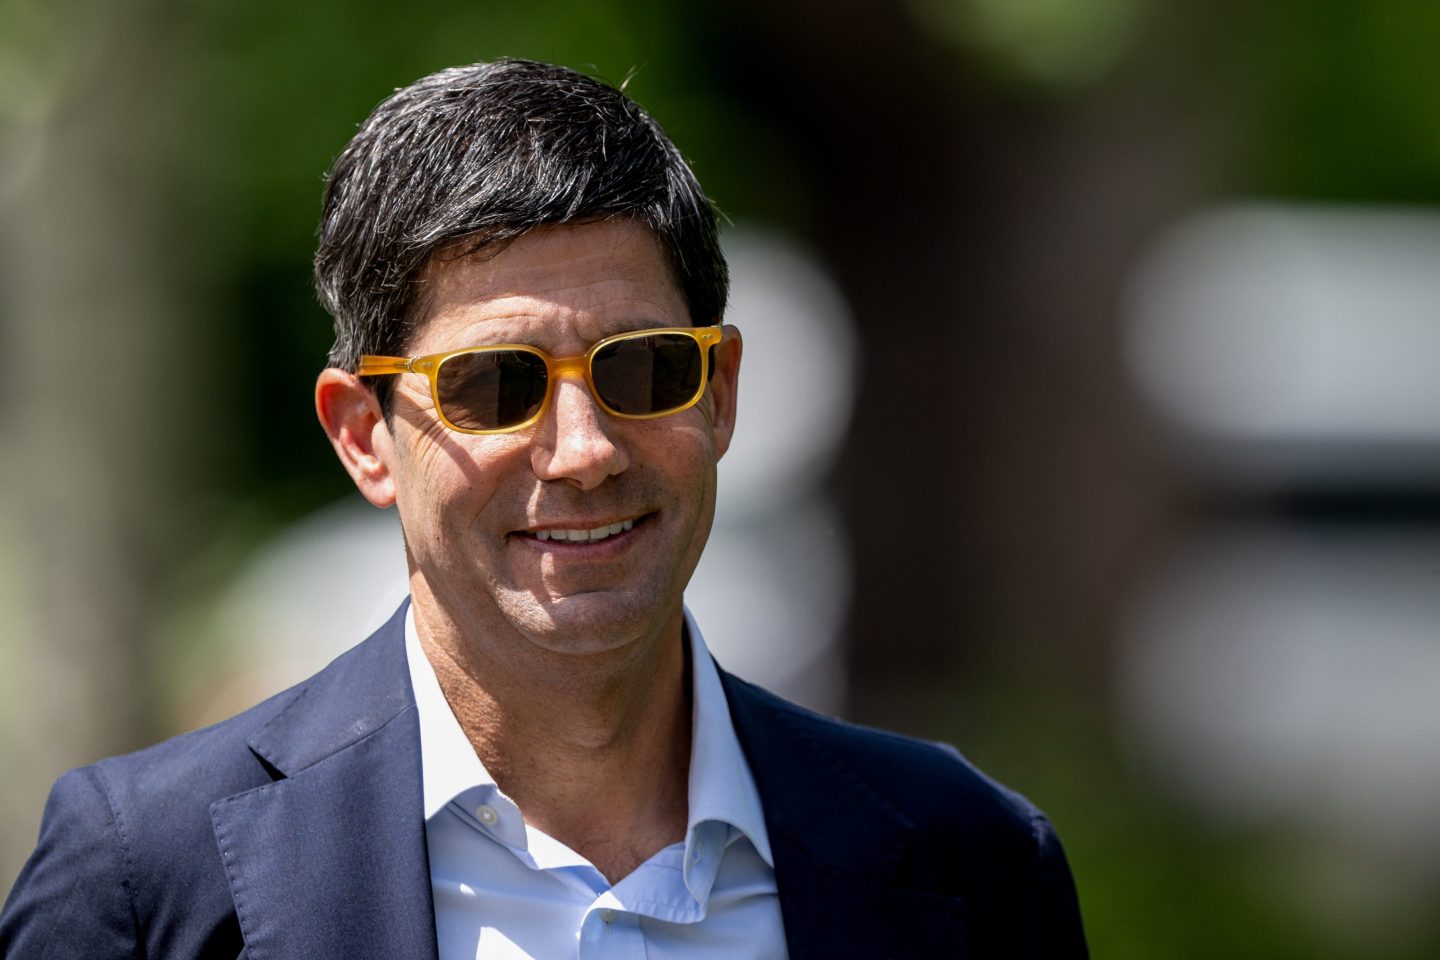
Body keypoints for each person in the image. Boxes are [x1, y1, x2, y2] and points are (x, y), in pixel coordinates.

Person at [0, 59, 1086, 958]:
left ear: (722, 397)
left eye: (645, 370)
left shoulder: (970, 864)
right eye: (496, 387)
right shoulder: (145, 878)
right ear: (362, 434)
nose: (583, 451)